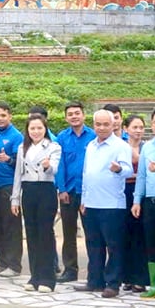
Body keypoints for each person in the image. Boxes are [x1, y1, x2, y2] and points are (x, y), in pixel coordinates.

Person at [75, 110, 133, 298]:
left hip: (112, 204)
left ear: (113, 124)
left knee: (113, 246)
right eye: (98, 124)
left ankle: (113, 283)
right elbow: (86, 174)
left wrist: (118, 169)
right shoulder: (91, 145)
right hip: (91, 203)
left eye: (105, 124)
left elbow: (128, 170)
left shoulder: (120, 146)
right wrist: (84, 199)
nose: (101, 128)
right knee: (93, 245)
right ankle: (95, 280)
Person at [10, 114, 61, 292]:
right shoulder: (22, 148)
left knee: (45, 234)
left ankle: (48, 278)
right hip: (28, 191)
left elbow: (54, 169)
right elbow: (18, 174)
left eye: (39, 128)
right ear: (27, 130)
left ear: (45, 129)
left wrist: (47, 165)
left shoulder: (53, 147)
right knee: (31, 234)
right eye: (32, 128)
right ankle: (35, 276)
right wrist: (15, 198)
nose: (36, 131)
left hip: (45, 190)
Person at [55, 101, 95, 283]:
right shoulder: (62, 138)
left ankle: (95, 271)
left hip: (90, 192)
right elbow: (59, 164)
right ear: (66, 117)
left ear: (83, 115)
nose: (74, 116)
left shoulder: (93, 136)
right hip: (69, 192)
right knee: (68, 233)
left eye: (77, 113)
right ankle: (70, 270)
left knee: (92, 233)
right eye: (70, 114)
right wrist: (61, 188)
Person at [0, 102, 23, 278]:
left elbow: (21, 162)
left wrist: (9, 159)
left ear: (10, 116)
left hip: (8, 186)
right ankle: (2, 261)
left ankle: (14, 265)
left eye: (3, 115)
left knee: (11, 227)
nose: (0, 119)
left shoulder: (16, 136)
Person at [130, 108, 155, 298]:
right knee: (151, 243)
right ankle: (154, 285)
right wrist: (137, 200)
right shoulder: (148, 147)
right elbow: (141, 177)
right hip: (149, 202)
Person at [123, 115, 149, 292]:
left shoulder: (147, 147)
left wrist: (137, 157)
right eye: (134, 127)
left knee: (140, 237)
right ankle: (127, 277)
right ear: (126, 129)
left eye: (141, 127)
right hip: (122, 193)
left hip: (140, 194)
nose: (138, 130)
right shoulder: (120, 146)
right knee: (125, 236)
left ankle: (140, 278)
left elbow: (145, 170)